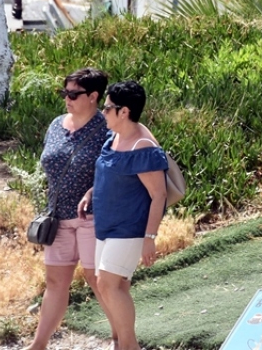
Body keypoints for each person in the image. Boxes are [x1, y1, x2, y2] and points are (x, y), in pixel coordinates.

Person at [26, 68, 110, 350]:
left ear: (94, 96)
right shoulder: (55, 125)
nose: (67, 99)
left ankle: (121, 338)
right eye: (65, 93)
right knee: (54, 282)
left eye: (74, 94)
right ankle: (38, 345)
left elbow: (118, 170)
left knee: (98, 281)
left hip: (93, 216)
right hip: (58, 217)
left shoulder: (107, 128)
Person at [82, 81, 167, 350]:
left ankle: (128, 346)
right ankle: (121, 341)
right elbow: (112, 173)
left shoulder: (142, 145)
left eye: (107, 108)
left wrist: (149, 237)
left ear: (124, 112)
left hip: (130, 228)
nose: (102, 112)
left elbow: (159, 195)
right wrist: (91, 193)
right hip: (106, 225)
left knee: (108, 285)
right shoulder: (115, 136)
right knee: (111, 285)